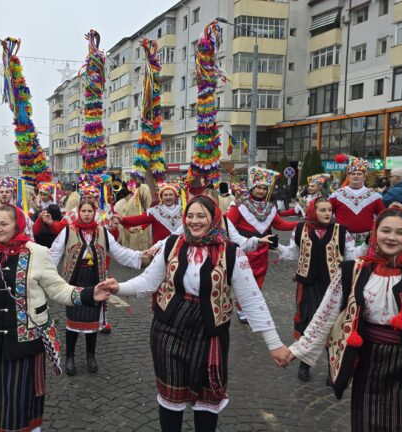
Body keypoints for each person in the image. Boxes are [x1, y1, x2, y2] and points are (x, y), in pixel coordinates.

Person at [100, 196, 290, 432]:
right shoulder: (172, 244)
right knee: (170, 395)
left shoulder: (232, 252)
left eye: (201, 216)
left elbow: (252, 299)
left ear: (214, 219)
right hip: (168, 328)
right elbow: (147, 282)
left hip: (210, 333)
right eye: (190, 216)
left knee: (207, 398)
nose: (194, 221)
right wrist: (119, 287)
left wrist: (274, 343)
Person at [0, 204, 111, 432]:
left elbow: (58, 289)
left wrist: (89, 294)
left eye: (4, 223)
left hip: (26, 344)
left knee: (23, 404)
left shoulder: (37, 253)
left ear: (17, 225)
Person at [287, 209, 402, 431]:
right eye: (385, 230)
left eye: (400, 232)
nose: (392, 237)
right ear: (376, 233)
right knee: (371, 420)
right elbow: (325, 314)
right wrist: (297, 350)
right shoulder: (354, 270)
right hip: (370, 363)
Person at [49, 201, 146, 375]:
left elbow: (119, 252)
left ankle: (90, 356)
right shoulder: (68, 231)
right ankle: (69, 357)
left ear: (95, 213)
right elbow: (54, 254)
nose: (86, 214)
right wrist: (45, 275)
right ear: (79, 213)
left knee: (92, 323)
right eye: (83, 211)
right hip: (74, 283)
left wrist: (141, 256)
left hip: (96, 283)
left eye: (90, 211)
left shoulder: (103, 232)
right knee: (72, 323)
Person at [277, 198, 367, 381]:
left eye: (329, 210)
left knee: (333, 326)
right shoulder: (300, 229)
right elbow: (291, 254)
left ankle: (332, 368)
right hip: (308, 286)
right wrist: (275, 246)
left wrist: (367, 243)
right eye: (323, 210)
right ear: (312, 211)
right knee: (308, 324)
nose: (328, 213)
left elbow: (354, 255)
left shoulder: (341, 231)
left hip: (333, 287)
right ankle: (304, 364)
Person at [226, 167, 298, 321]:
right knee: (243, 279)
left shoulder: (270, 207)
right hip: (243, 248)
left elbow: (280, 224)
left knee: (259, 279)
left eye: (265, 188)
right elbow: (228, 224)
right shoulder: (239, 205)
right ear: (253, 187)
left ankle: (250, 307)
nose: (261, 191)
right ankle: (241, 308)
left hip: (262, 249)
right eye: (259, 187)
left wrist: (300, 225)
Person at [329, 155, 385, 245]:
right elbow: (327, 215)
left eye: (359, 174)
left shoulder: (374, 196)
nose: (356, 176)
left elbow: (382, 216)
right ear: (348, 176)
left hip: (367, 241)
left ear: (364, 177)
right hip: (341, 239)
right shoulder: (336, 195)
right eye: (353, 174)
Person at [117, 182, 181, 246]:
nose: (168, 197)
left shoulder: (183, 211)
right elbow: (136, 220)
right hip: (160, 249)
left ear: (175, 197)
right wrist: (121, 218)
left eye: (171, 195)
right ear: (161, 198)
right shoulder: (154, 211)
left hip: (179, 247)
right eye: (165, 195)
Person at [31, 182, 63, 248]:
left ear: (50, 195)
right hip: (39, 239)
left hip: (51, 239)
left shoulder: (56, 207)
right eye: (41, 194)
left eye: (45, 195)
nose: (42, 197)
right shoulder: (36, 206)